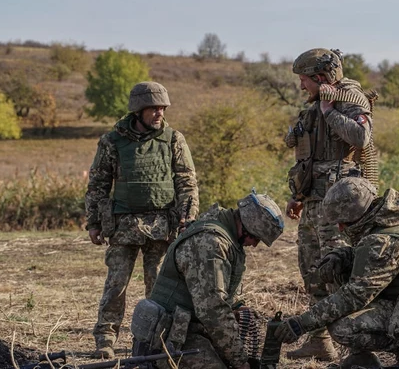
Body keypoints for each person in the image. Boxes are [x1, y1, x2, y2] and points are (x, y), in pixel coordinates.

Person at [274, 177, 399, 368]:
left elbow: (353, 297)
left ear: (357, 217)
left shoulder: (382, 242)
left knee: (341, 326)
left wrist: (301, 323)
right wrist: (344, 255)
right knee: (338, 266)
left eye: (343, 222)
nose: (340, 228)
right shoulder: (394, 220)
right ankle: (362, 358)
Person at [85, 81, 199, 358]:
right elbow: (97, 184)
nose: (159, 113)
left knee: (160, 289)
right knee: (116, 285)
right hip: (123, 226)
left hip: (161, 225)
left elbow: (187, 181)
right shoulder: (112, 141)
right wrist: (94, 222)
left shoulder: (173, 139)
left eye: (162, 108)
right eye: (153, 108)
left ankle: (156, 341)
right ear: (138, 110)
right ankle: (105, 339)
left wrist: (187, 217)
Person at [283, 48, 374, 361]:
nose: (301, 86)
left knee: (338, 273)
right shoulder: (314, 107)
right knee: (312, 271)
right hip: (313, 202)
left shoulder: (348, 99)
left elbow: (362, 138)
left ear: (320, 78)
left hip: (339, 207)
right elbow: (308, 157)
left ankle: (356, 349)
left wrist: (330, 111)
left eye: (304, 80)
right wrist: (298, 195)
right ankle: (320, 341)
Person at [129, 191, 285, 369]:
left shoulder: (222, 228)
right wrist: (241, 362)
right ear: (246, 225)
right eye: (255, 238)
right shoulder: (210, 243)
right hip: (167, 340)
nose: (255, 245)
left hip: (188, 330)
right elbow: (213, 311)